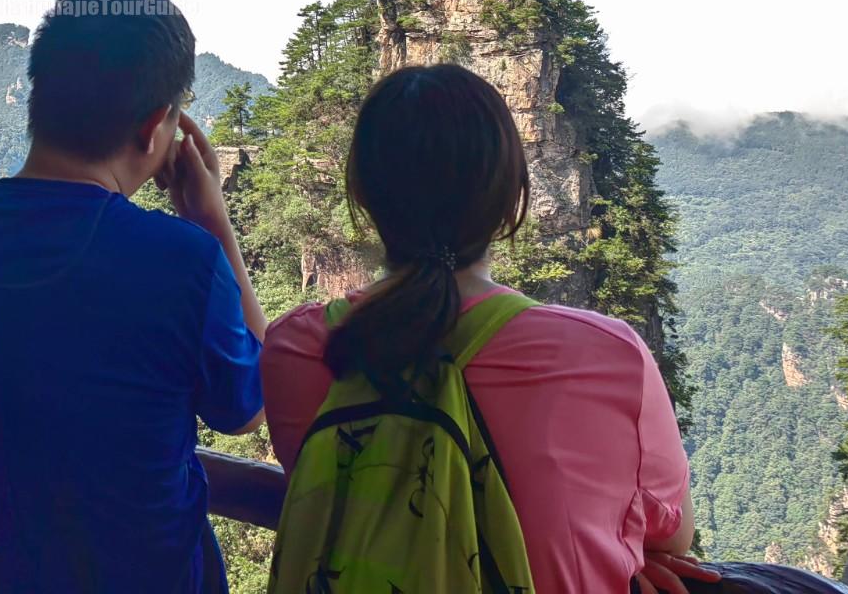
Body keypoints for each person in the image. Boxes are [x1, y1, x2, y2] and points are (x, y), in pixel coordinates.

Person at [0, 0, 267, 593]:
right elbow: (247, 409)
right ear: (154, 128)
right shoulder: (182, 260)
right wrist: (214, 223)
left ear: (39, 99)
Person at [260, 64, 704, 594]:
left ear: (362, 194)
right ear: (512, 195)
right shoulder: (608, 355)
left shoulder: (296, 349)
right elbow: (672, 540)